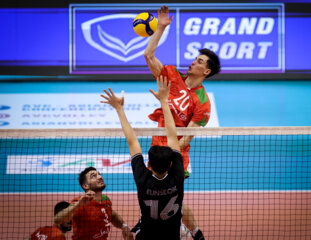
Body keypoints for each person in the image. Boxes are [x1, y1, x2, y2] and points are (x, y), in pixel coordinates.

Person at [144, 5, 221, 240]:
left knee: (174, 199)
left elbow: (188, 136)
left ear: (206, 71)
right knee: (152, 196)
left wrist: (171, 155)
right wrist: (161, 28)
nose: (193, 62)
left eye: (199, 61)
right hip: (156, 149)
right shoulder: (173, 77)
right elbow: (148, 55)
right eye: (195, 58)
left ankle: (194, 233)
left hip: (177, 155)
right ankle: (178, 230)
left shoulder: (202, 102)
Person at [100, 76, 184, 240]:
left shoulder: (142, 180)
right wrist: (164, 102)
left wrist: (119, 109)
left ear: (149, 165)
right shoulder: (178, 176)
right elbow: (173, 136)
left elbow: (132, 141)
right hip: (172, 236)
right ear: (171, 164)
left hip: (146, 235)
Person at [54, 167, 133, 240]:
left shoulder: (106, 199)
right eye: (93, 176)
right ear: (85, 186)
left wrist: (124, 226)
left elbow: (111, 213)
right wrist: (78, 205)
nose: (100, 177)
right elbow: (58, 220)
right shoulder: (80, 201)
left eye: (99, 174)